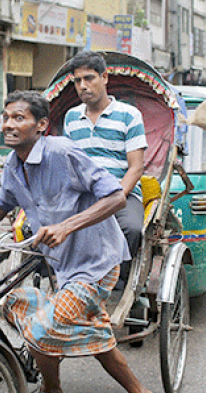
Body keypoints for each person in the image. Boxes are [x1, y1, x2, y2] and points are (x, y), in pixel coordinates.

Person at [0, 91, 156, 393]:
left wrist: (66, 226)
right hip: (63, 265)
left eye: (19, 118)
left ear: (41, 124)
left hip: (97, 263)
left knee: (42, 330)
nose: (9, 124)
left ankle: (52, 390)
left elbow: (115, 197)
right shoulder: (13, 163)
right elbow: (3, 201)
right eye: (6, 117)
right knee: (11, 305)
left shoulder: (63, 152)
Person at [62, 50, 147, 288]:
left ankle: (119, 282)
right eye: (78, 81)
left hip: (122, 193)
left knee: (132, 229)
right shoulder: (71, 118)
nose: (83, 86)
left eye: (89, 78)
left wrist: (114, 197)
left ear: (105, 78)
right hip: (83, 194)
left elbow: (136, 167)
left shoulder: (129, 115)